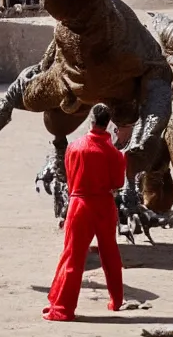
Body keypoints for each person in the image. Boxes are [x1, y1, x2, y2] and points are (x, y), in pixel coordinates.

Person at [43, 104, 130, 321]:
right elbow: (117, 183)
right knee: (110, 253)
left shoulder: (74, 147)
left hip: (79, 204)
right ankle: (116, 300)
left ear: (91, 121)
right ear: (108, 123)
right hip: (103, 205)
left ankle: (62, 306)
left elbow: (69, 177)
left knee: (73, 256)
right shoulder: (114, 153)